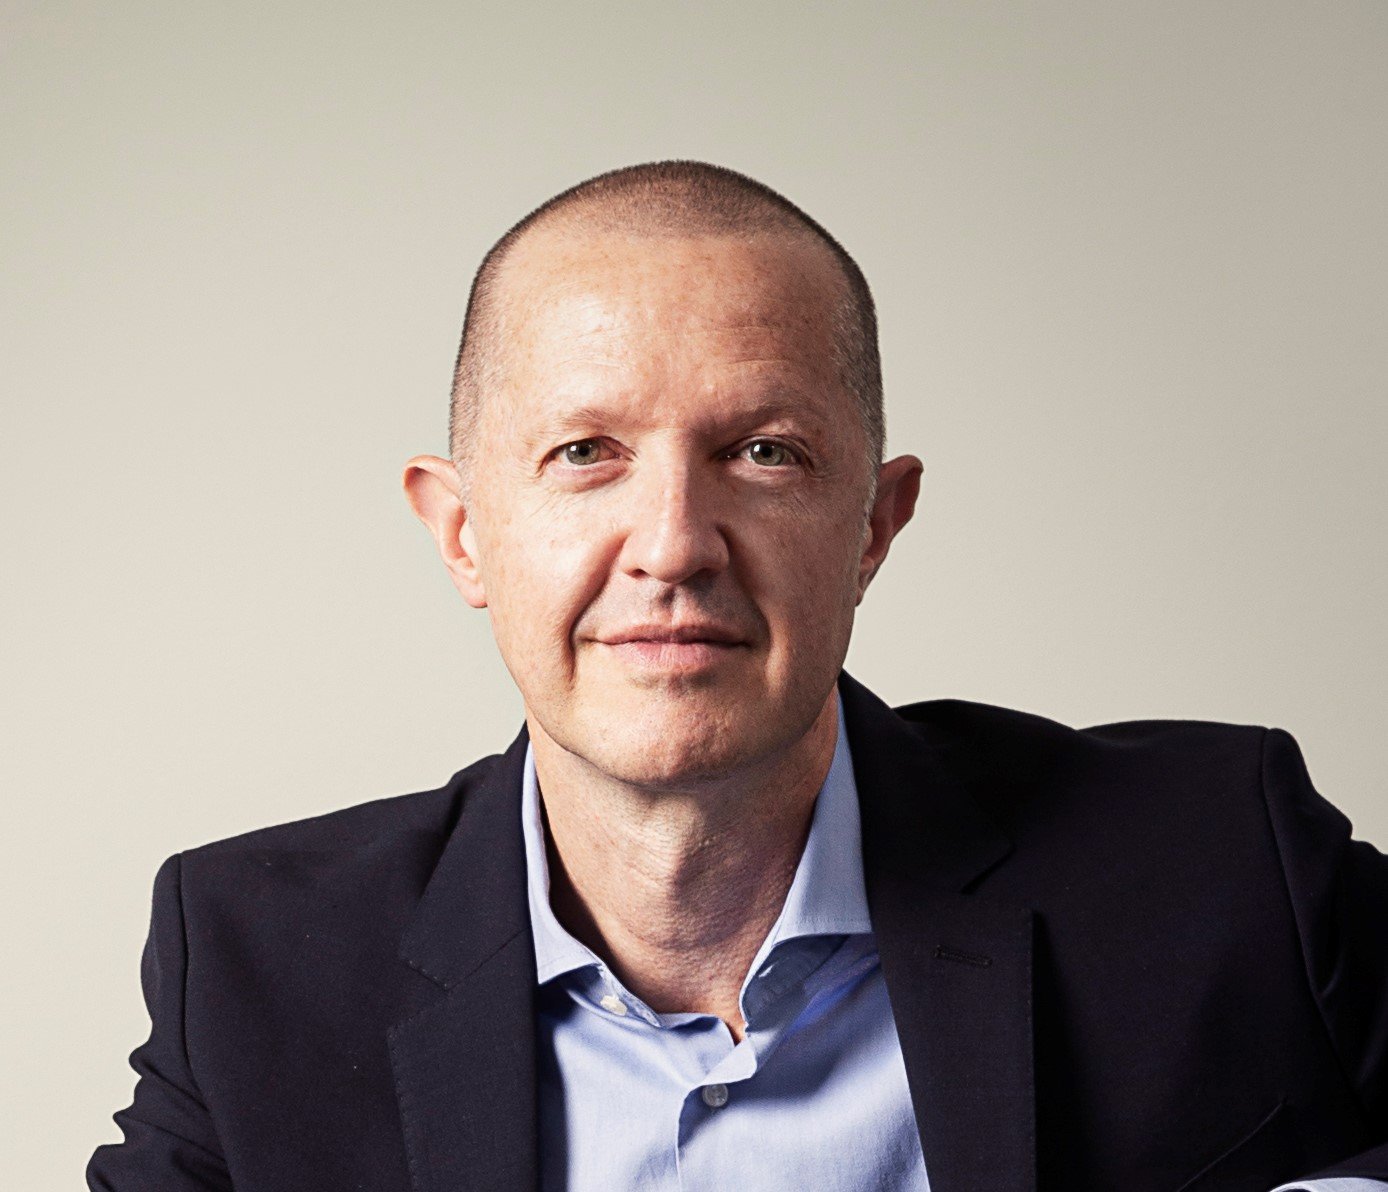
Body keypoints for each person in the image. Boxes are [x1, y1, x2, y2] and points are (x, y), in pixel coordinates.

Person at [89, 161, 1388, 1192]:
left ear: (874, 525)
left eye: (764, 452)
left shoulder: (1224, 859)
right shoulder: (256, 970)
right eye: (586, 452)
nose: (673, 545)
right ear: (464, 531)